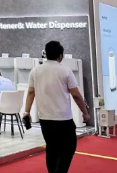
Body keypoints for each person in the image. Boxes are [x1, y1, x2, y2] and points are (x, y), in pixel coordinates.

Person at [24, 41, 90, 173]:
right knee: (68, 148)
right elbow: (76, 95)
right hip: (63, 119)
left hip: (45, 119)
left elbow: (31, 92)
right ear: (60, 55)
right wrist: (85, 113)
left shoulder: (35, 71)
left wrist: (27, 111)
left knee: (51, 148)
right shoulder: (65, 71)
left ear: (46, 54)